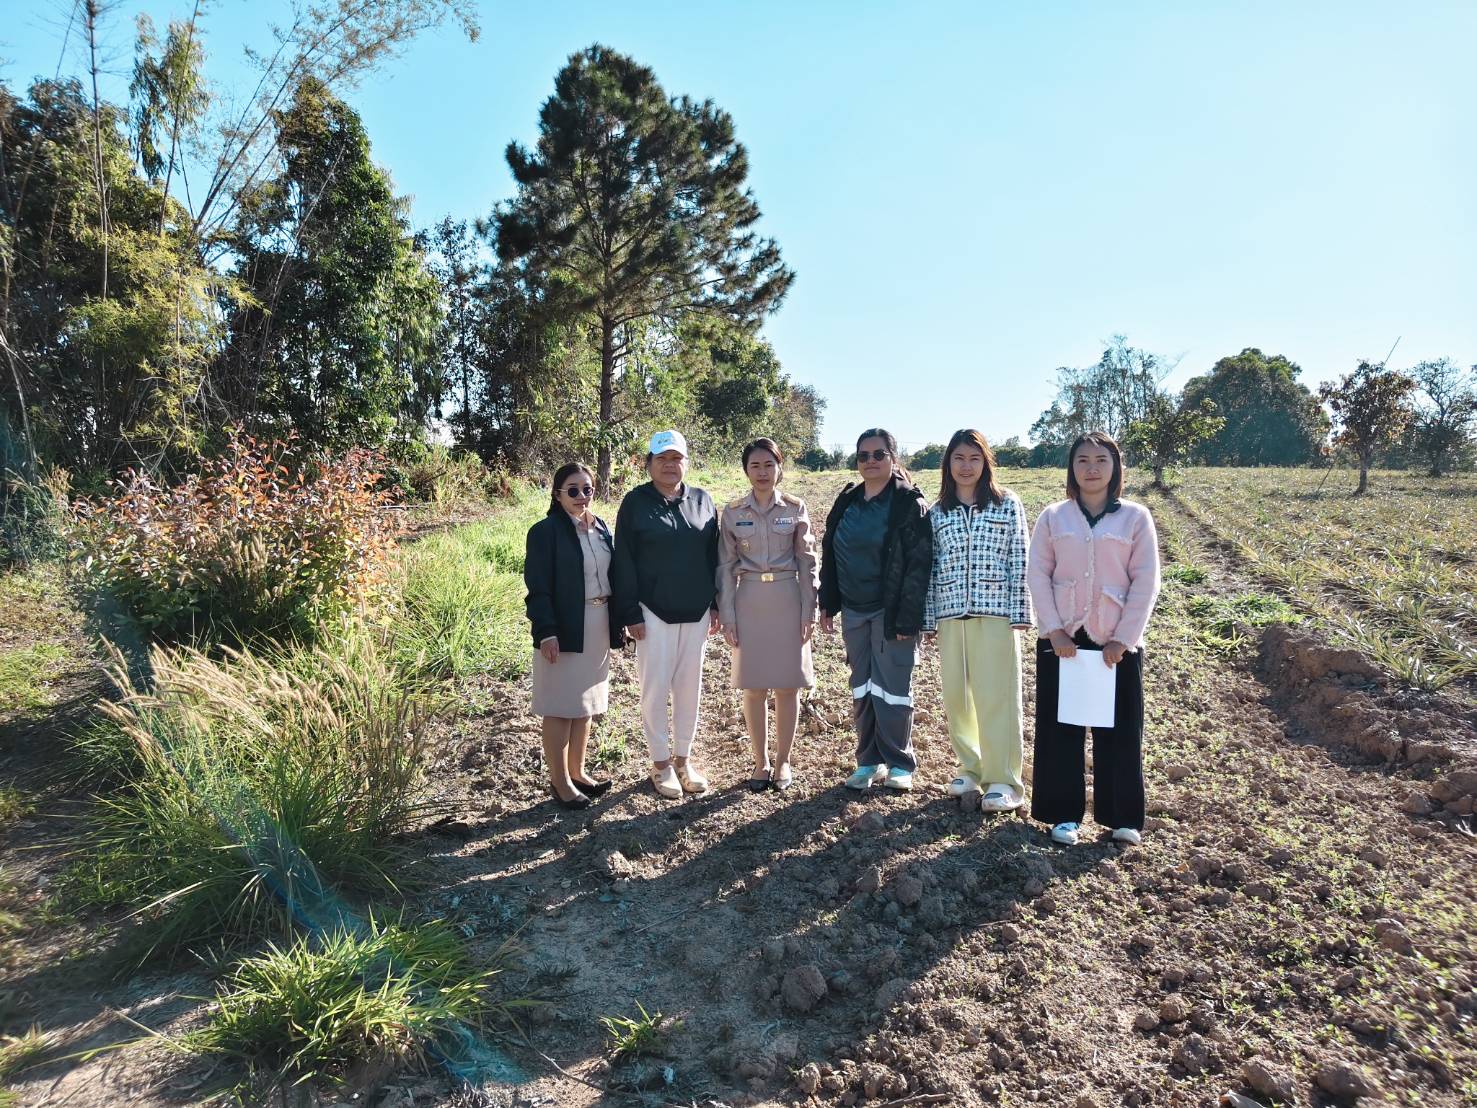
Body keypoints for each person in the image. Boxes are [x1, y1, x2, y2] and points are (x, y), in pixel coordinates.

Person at [1027, 431, 1161, 845]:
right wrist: (1054, 630)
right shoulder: (1054, 517)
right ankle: (1062, 815)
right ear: (1072, 468)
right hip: (1063, 640)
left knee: (1120, 730)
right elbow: (1038, 574)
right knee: (1060, 729)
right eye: (1082, 460)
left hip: (1114, 643)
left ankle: (1122, 817)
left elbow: (1146, 581)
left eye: (1101, 460)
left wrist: (1124, 638)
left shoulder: (1135, 518)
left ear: (1115, 467)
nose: (1091, 468)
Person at [922, 429, 1033, 811]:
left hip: (996, 614)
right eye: (959, 458)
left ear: (986, 462)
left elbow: (1019, 557)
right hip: (951, 614)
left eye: (974, 458)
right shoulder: (938, 512)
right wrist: (929, 619)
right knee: (958, 698)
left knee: (997, 697)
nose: (966, 466)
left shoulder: (1006, 504)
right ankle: (970, 768)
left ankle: (1003, 780)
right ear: (948, 464)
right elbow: (932, 567)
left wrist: (1021, 611)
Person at [818, 428, 932, 791]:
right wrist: (828, 602)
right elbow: (831, 551)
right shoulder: (848, 500)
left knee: (893, 688)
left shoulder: (908, 503)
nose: (871, 461)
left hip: (890, 612)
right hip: (854, 611)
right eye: (863, 455)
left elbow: (918, 566)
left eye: (879, 454)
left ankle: (900, 763)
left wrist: (908, 618)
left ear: (893, 459)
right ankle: (869, 761)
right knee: (863, 687)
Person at [612, 430, 720, 799]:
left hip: (697, 612)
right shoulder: (635, 503)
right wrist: (630, 612)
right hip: (652, 612)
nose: (670, 465)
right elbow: (624, 560)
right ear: (649, 463)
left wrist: (716, 604)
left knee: (690, 689)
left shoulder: (703, 501)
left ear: (686, 462)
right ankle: (660, 763)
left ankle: (683, 759)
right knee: (654, 689)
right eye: (662, 458)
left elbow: (715, 557)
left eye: (676, 458)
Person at [718, 438, 818, 791]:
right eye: (755, 465)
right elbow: (725, 566)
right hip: (749, 601)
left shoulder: (795, 507)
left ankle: (783, 761)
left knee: (788, 686)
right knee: (754, 686)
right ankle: (760, 762)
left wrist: (809, 609)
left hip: (788, 598)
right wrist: (728, 614)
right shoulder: (733, 512)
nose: (762, 472)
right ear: (746, 470)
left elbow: (808, 562)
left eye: (769, 465)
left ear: (779, 468)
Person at [524, 462, 625, 810]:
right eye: (573, 490)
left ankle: (578, 772)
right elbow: (538, 588)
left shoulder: (601, 528)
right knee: (560, 706)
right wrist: (546, 632)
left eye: (587, 489)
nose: (581, 496)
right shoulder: (545, 532)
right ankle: (560, 781)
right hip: (565, 625)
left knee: (585, 705)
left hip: (597, 623)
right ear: (557, 494)